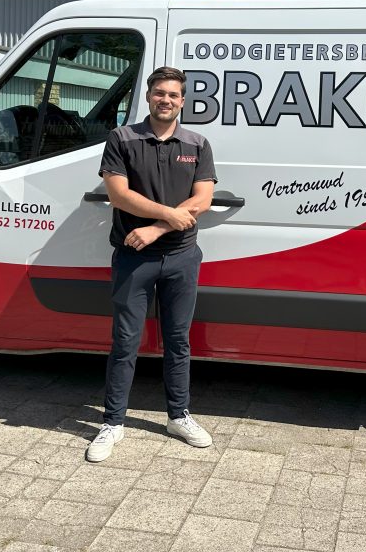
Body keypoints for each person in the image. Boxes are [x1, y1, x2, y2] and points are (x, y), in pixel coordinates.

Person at [86, 66, 217, 462]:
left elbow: (203, 199)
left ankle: (179, 416)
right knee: (125, 341)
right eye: (160, 92)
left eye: (173, 95)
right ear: (148, 96)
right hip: (133, 258)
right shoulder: (122, 138)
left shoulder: (197, 143)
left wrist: (158, 228)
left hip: (182, 257)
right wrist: (169, 214)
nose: (166, 100)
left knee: (178, 340)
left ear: (183, 101)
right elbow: (119, 196)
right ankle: (113, 423)